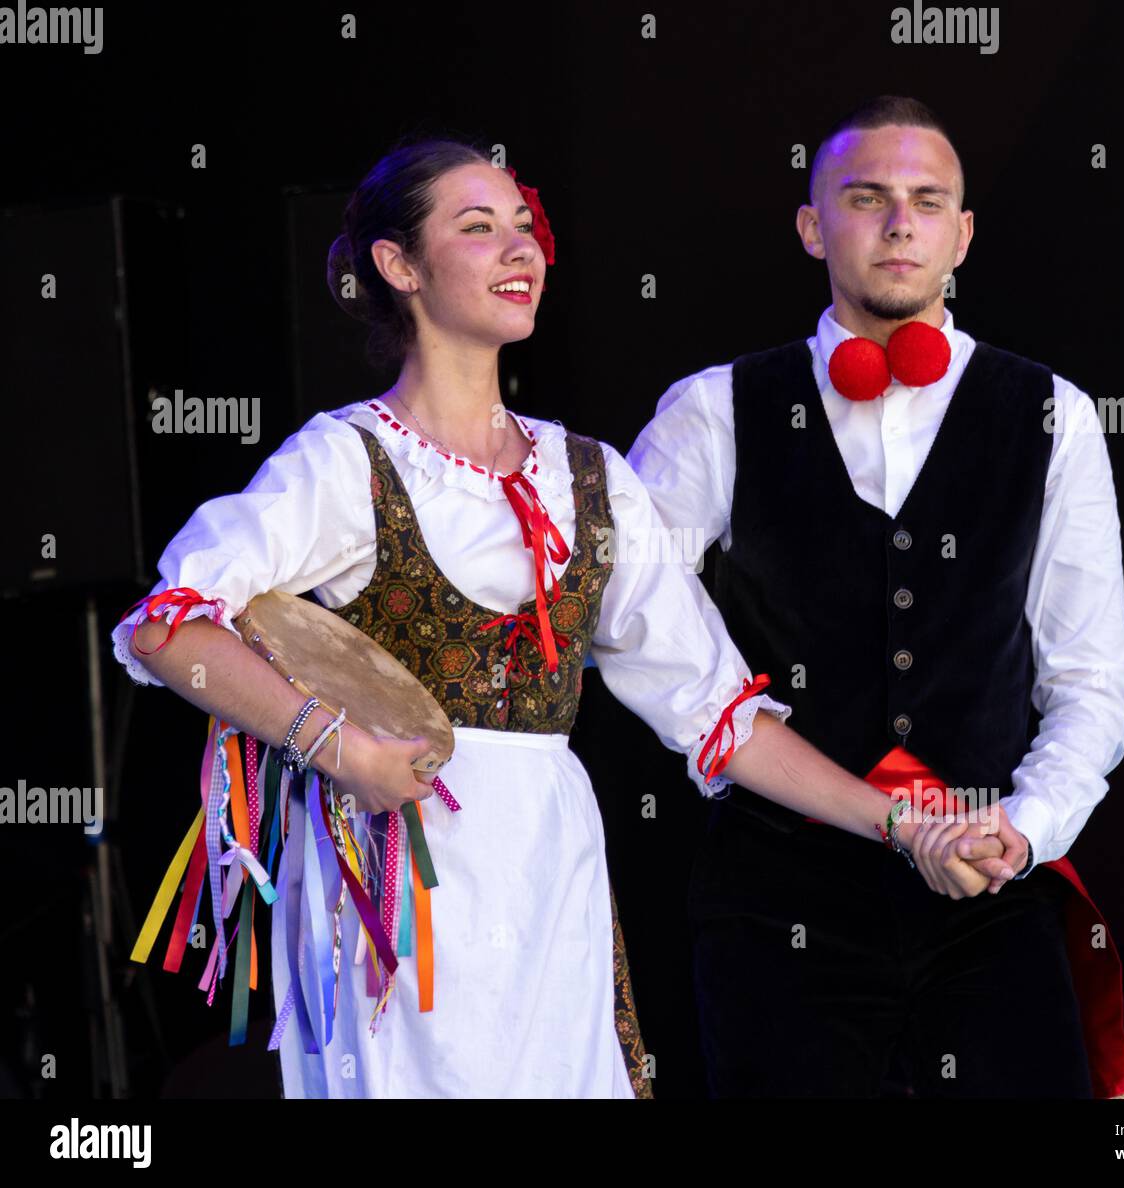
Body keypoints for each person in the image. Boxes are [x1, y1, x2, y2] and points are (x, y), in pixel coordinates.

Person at [111, 134, 1016, 1100]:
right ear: (398, 264)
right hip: (397, 882)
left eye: (523, 228)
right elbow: (167, 629)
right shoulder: (347, 462)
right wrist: (341, 749)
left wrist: (906, 825)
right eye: (477, 229)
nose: (519, 250)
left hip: (549, 864)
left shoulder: (592, 476)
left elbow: (720, 718)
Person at [628, 96, 1124, 1098]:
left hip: (990, 898)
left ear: (961, 234)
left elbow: (1090, 676)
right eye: (866, 198)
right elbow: (629, 624)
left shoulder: (1054, 415)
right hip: (776, 900)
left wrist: (1023, 828)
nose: (899, 222)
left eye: (926, 200)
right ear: (813, 226)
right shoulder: (713, 412)